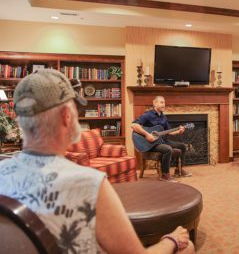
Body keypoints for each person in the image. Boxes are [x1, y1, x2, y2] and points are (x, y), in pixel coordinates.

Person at [0, 70, 194, 254]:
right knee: (187, 246)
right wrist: (172, 240)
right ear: (67, 117)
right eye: (76, 108)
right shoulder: (88, 182)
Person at [132, 96, 192, 182]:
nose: (163, 104)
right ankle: (165, 175)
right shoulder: (148, 115)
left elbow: (168, 131)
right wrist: (147, 135)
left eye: (164, 102)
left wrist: (179, 131)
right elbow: (134, 125)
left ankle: (179, 170)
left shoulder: (164, 117)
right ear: (155, 104)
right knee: (168, 149)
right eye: (161, 102)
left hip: (162, 141)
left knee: (182, 146)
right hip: (150, 144)